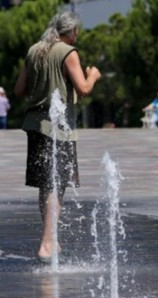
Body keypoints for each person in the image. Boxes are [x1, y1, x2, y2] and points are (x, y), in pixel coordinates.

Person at [14, 11, 101, 262]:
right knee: (57, 184)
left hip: (35, 125)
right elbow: (83, 89)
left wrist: (42, 82)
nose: (77, 37)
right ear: (71, 31)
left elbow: (19, 89)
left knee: (46, 183)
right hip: (59, 129)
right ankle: (47, 243)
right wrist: (93, 75)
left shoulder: (34, 50)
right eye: (77, 33)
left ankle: (52, 240)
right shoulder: (68, 52)